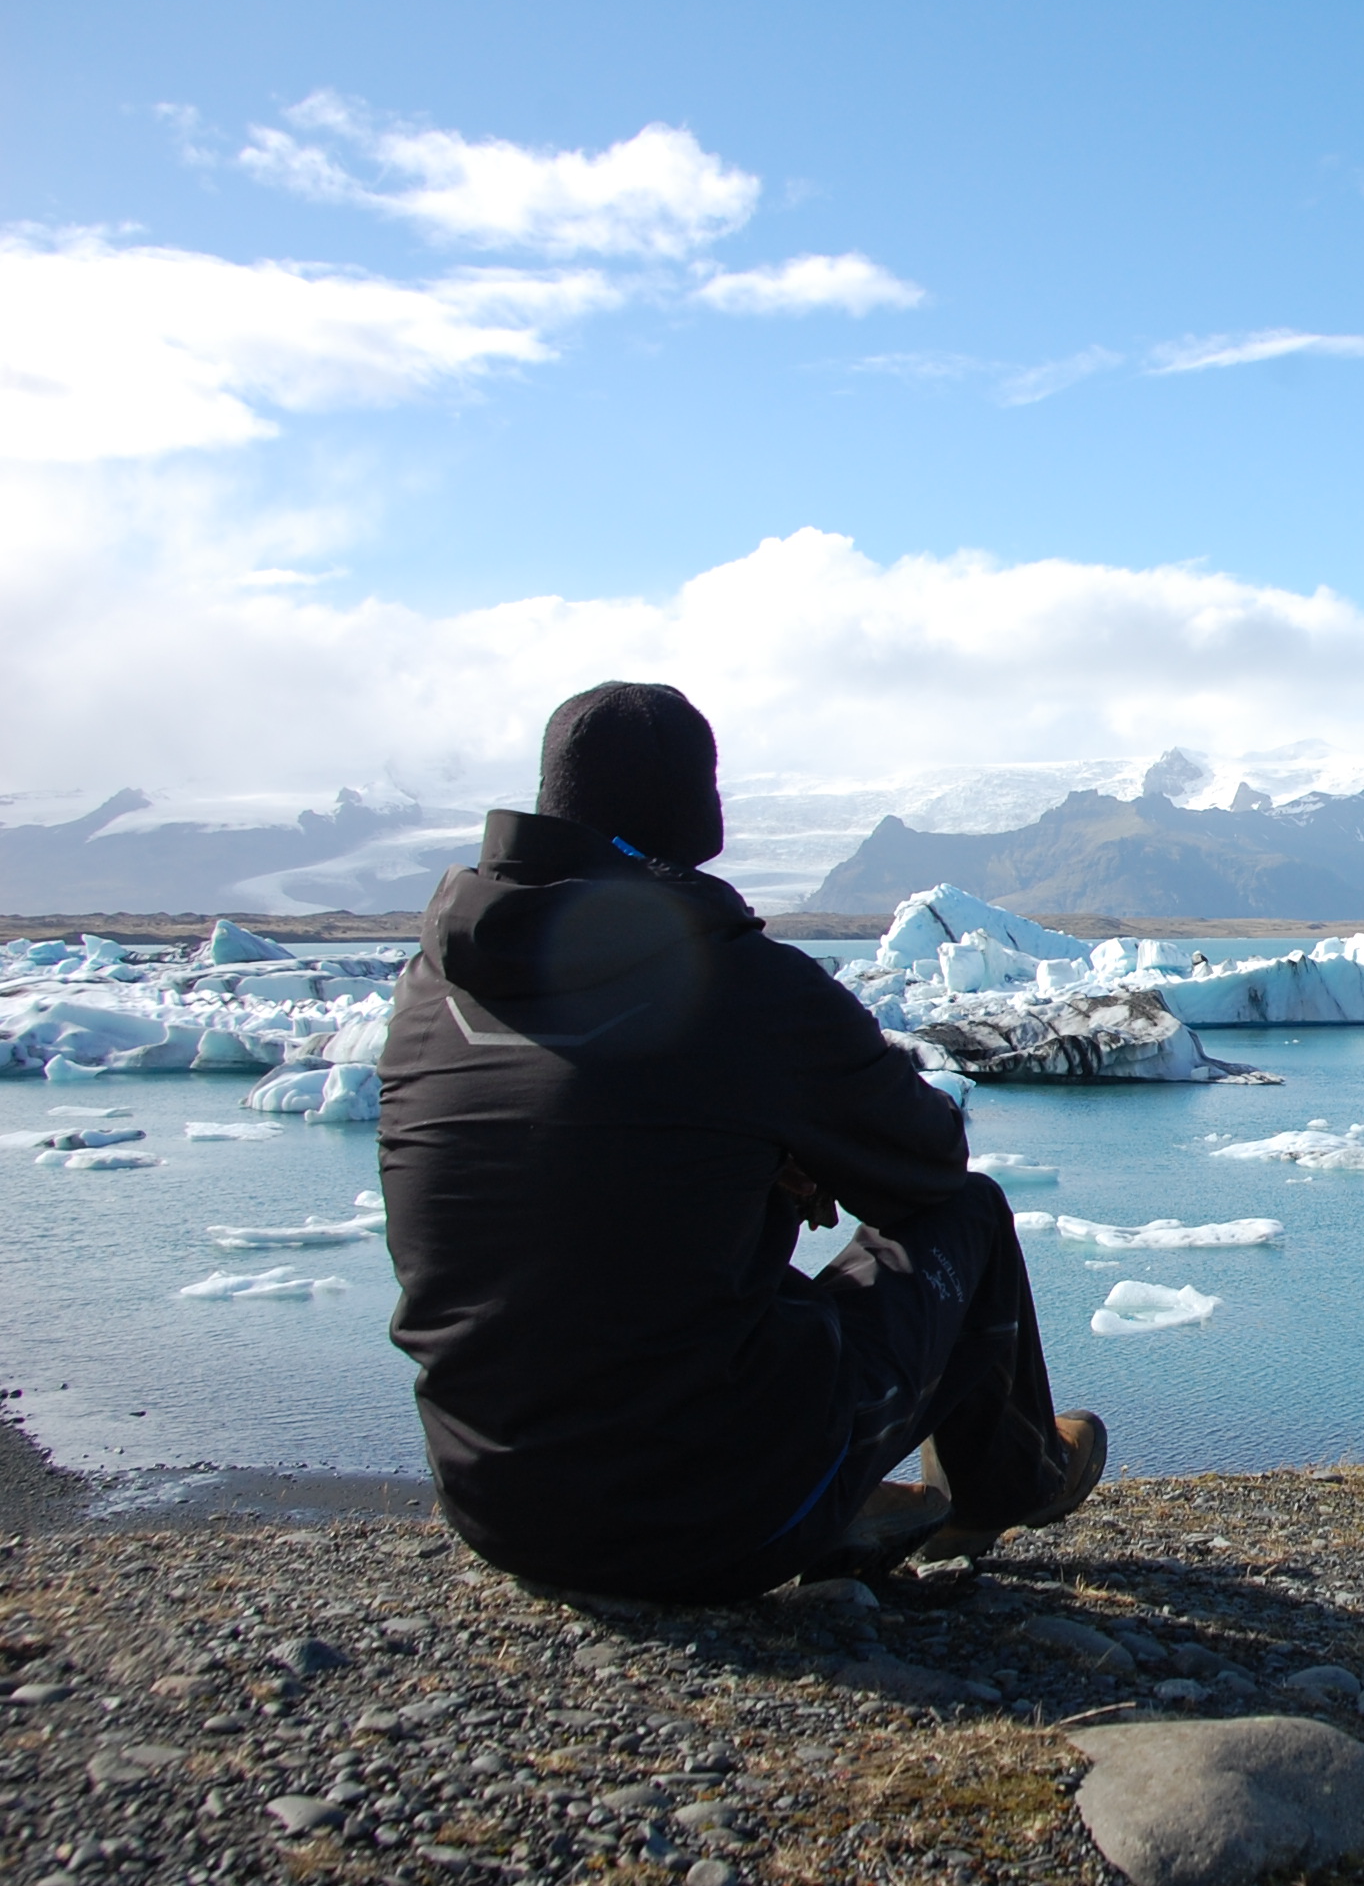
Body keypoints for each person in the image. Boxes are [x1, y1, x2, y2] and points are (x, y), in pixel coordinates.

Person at [379, 681, 1101, 1602]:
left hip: (497, 1506)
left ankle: (839, 1493)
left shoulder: (431, 991)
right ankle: (1011, 1481)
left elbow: (586, 1180)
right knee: (967, 1212)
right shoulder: (739, 984)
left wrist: (748, 1163)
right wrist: (794, 1155)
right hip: (710, 1517)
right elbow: (926, 1158)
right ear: (700, 812)